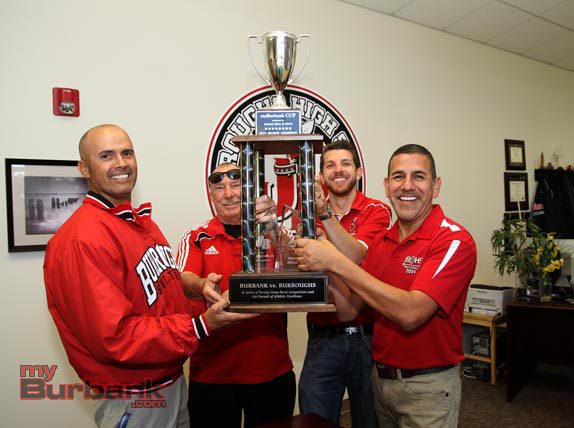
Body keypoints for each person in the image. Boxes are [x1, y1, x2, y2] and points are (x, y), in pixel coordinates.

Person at [43, 124, 255, 428]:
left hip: (170, 383)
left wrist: (201, 294)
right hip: (133, 397)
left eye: (126, 153)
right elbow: (115, 337)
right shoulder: (82, 239)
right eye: (106, 155)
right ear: (84, 168)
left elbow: (161, 296)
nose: (120, 163)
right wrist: (200, 325)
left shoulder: (138, 223)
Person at [295, 144, 477, 428]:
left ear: (436, 186)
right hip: (381, 383)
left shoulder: (453, 241)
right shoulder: (382, 244)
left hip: (427, 387)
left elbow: (411, 313)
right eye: (398, 176)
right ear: (386, 185)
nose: (407, 186)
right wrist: (322, 263)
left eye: (418, 176)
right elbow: (347, 311)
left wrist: (335, 261)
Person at [176, 162, 295, 428]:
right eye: (220, 188)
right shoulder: (196, 236)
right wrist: (202, 285)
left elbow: (298, 267)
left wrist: (273, 228)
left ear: (250, 190)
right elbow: (183, 278)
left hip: (271, 371)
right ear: (211, 195)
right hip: (212, 376)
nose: (229, 194)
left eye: (236, 185)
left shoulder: (273, 230)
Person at [299, 140, 392, 427]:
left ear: (359, 171)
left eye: (345, 164)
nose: (338, 170)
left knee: (370, 421)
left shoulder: (377, 211)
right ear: (321, 176)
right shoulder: (306, 216)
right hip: (321, 339)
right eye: (330, 165)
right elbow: (298, 267)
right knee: (315, 421)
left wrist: (325, 219)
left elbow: (355, 255)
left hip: (366, 340)